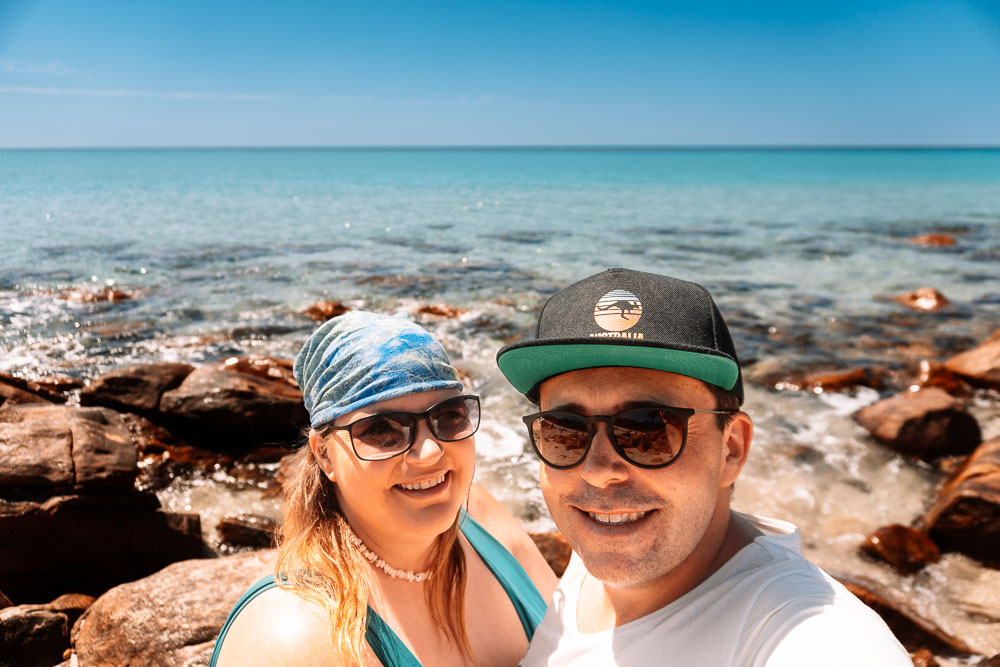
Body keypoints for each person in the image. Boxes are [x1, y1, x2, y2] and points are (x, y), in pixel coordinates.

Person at [496, 268, 911, 666]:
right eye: (565, 431)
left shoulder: (806, 630)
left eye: (647, 429)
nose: (598, 471)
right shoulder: (599, 545)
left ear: (731, 449)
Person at [212, 311, 556, 667]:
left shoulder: (480, 516)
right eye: (382, 430)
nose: (430, 451)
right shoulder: (294, 638)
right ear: (325, 455)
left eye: (449, 416)